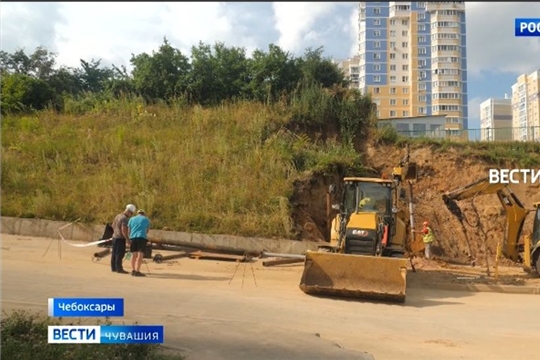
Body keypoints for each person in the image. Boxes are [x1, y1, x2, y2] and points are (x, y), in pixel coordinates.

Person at [111, 204, 136, 274]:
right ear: (129, 211)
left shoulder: (118, 216)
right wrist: (127, 239)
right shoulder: (125, 219)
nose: (131, 215)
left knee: (114, 253)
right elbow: (124, 230)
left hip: (114, 237)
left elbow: (113, 225)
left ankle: (114, 268)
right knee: (120, 254)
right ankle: (119, 268)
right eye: (131, 213)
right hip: (120, 238)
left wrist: (115, 232)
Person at [128, 209, 151, 277]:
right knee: (140, 254)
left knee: (133, 254)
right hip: (141, 237)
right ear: (143, 214)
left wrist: (129, 237)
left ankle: (133, 270)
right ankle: (137, 271)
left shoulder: (131, 219)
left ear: (137, 213)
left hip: (133, 237)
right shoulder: (146, 220)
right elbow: (147, 230)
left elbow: (129, 229)